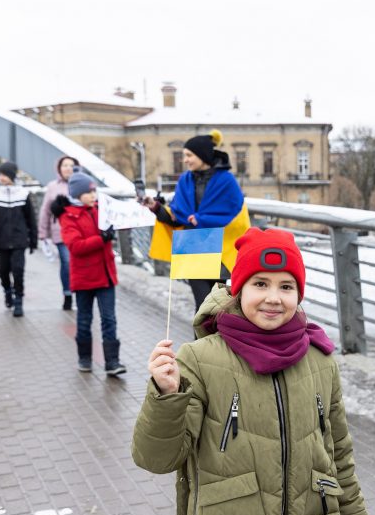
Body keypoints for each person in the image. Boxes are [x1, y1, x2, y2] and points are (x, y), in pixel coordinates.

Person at [132, 227, 375, 515]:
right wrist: (165, 395)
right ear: (238, 288)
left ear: (299, 295)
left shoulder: (320, 362)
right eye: (260, 283)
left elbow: (339, 456)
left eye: (286, 286)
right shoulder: (199, 359)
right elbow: (157, 458)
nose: (273, 298)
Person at [143, 130, 248, 312]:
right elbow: (176, 218)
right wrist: (155, 207)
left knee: (217, 307)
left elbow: (235, 216)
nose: (185, 160)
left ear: (202, 155)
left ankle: (214, 341)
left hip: (219, 248)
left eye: (189, 155)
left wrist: (201, 219)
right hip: (193, 248)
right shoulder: (185, 180)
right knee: (203, 308)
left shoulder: (227, 181)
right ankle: (199, 341)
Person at [56, 169, 126, 376]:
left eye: (95, 192)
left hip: (105, 274)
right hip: (84, 277)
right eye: (89, 193)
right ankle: (84, 358)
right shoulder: (68, 216)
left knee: (109, 319)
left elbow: (117, 220)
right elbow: (75, 246)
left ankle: (112, 362)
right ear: (78, 194)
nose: (94, 196)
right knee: (85, 319)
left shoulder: (100, 210)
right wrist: (102, 238)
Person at [0, 161, 37, 317]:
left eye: (5, 175)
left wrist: (33, 240)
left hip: (19, 240)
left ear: (12, 176)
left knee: (18, 270)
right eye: (0, 174)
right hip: (1, 241)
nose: (2, 178)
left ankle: (19, 300)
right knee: (4, 270)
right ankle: (7, 290)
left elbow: (30, 219)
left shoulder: (23, 194)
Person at [38, 155, 79, 310]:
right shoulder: (53, 186)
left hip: (81, 232)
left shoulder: (83, 184)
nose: (68, 168)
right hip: (60, 232)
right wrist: (43, 234)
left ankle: (81, 293)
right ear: (59, 169)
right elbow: (45, 211)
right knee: (67, 262)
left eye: (71, 165)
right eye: (65, 165)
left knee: (80, 264)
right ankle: (68, 294)